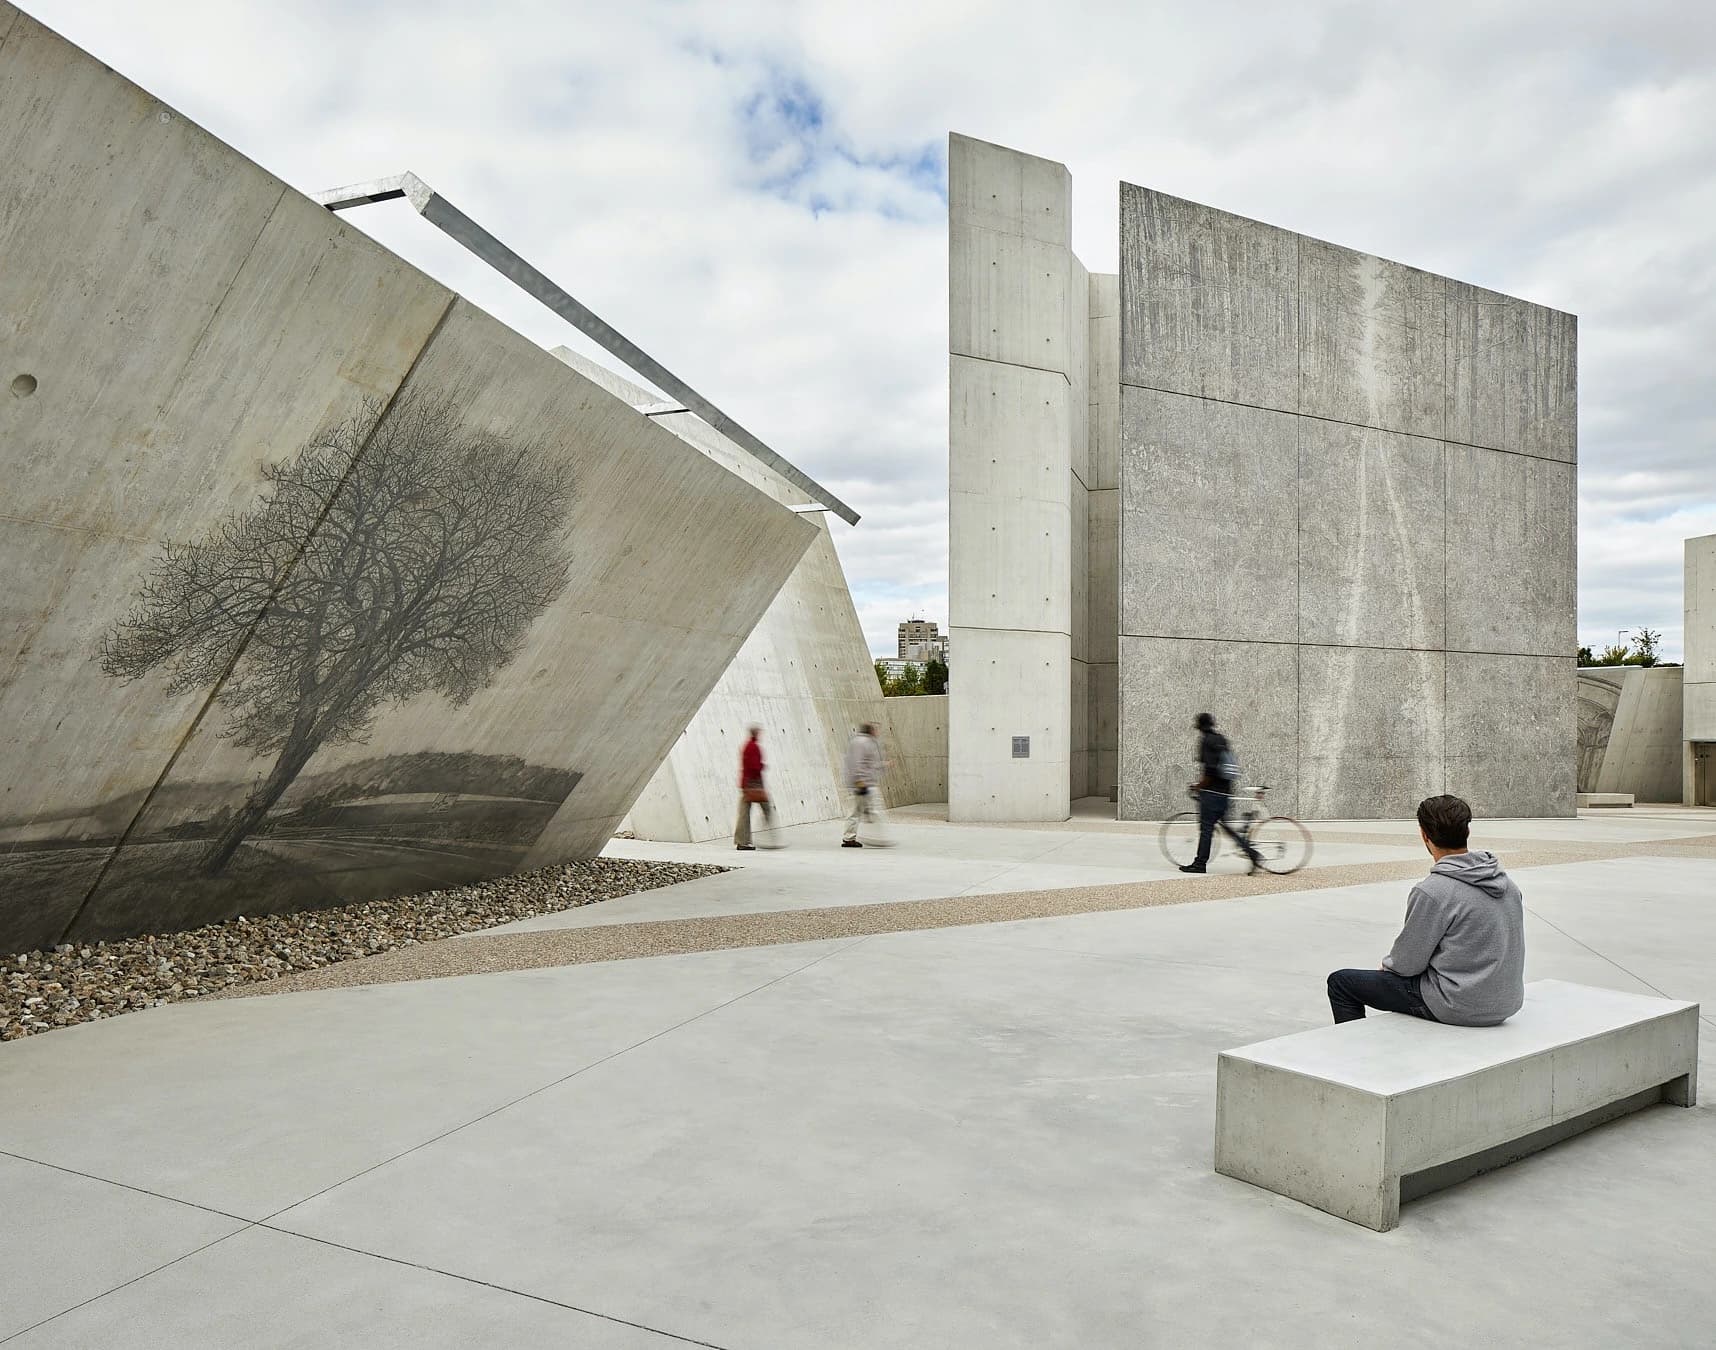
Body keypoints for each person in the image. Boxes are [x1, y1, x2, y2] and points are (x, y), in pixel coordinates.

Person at [1326, 794, 1525, 1026]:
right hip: (1506, 1001)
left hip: (1459, 1004)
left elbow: (1406, 964)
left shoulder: (1433, 891)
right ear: (1467, 832)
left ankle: (1353, 1058)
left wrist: (1388, 967)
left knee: (1341, 983)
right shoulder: (1507, 884)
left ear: (1424, 835)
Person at [1179, 712, 1260, 874]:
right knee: (1227, 827)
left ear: (1200, 727)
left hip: (1211, 793)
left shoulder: (1206, 741)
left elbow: (1210, 771)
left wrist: (1198, 786)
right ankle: (1252, 853)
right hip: (1225, 792)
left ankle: (1200, 863)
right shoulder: (1222, 739)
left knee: (1206, 829)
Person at [733, 725, 780, 851]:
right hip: (753, 784)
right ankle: (769, 838)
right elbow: (754, 767)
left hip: (747, 783)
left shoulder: (748, 745)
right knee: (766, 810)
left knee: (744, 813)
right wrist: (762, 766)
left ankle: (743, 841)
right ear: (756, 733)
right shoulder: (753, 747)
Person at [841, 722, 888, 848]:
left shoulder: (863, 741)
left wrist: (883, 764)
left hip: (864, 783)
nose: (878, 732)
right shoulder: (863, 742)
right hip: (862, 784)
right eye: (876, 729)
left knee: (862, 811)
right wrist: (860, 782)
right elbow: (857, 763)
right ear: (871, 731)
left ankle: (853, 837)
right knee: (861, 811)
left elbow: (868, 763)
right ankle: (873, 837)